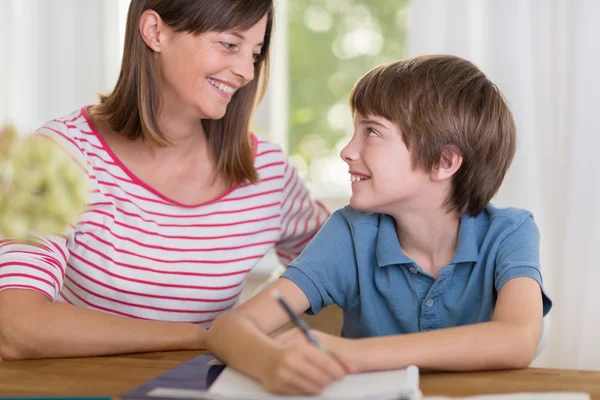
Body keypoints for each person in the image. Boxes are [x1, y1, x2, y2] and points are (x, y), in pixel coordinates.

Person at [0, 0, 328, 361]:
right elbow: (16, 326)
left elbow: (343, 267)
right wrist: (204, 337)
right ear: (155, 32)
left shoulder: (267, 171)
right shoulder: (59, 155)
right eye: (230, 45)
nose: (247, 71)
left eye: (255, 52)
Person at [206, 55, 553, 395]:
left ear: (444, 161)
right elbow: (228, 329)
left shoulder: (509, 231)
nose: (346, 150)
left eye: (371, 131)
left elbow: (518, 339)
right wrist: (271, 362)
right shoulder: (351, 233)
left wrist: (354, 354)